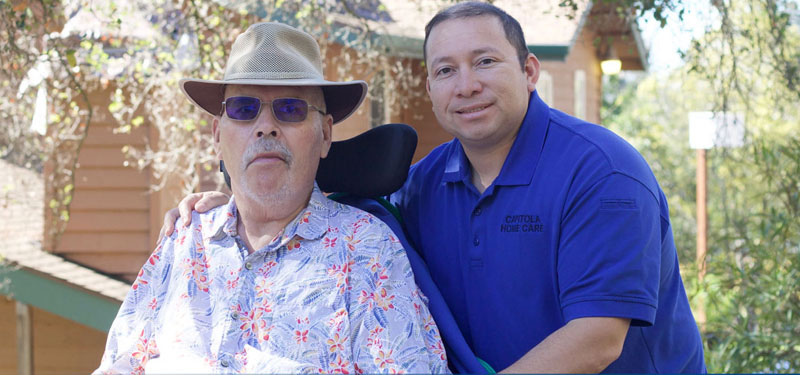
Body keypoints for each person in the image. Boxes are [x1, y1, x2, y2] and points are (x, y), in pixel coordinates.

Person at [161, 3, 706, 373]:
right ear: (430, 86)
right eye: (445, 70)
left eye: (485, 62)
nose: (465, 85)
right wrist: (232, 203)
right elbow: (308, 178)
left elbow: (598, 339)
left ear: (531, 70)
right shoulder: (426, 185)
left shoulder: (602, 172)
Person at [96, 22, 449, 374]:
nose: (265, 126)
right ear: (218, 136)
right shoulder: (184, 241)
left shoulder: (369, 252)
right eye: (244, 109)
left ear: (324, 135)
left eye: (291, 109)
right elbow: (117, 365)